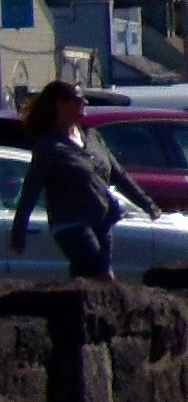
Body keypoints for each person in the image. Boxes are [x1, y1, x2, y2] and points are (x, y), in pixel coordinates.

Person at [13, 85, 115, 282]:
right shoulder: (48, 146)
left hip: (98, 217)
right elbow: (30, 190)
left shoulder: (88, 137)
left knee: (83, 278)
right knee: (102, 277)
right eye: (78, 99)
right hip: (69, 222)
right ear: (60, 105)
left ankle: (76, 311)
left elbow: (117, 173)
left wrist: (147, 204)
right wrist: (19, 231)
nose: (84, 102)